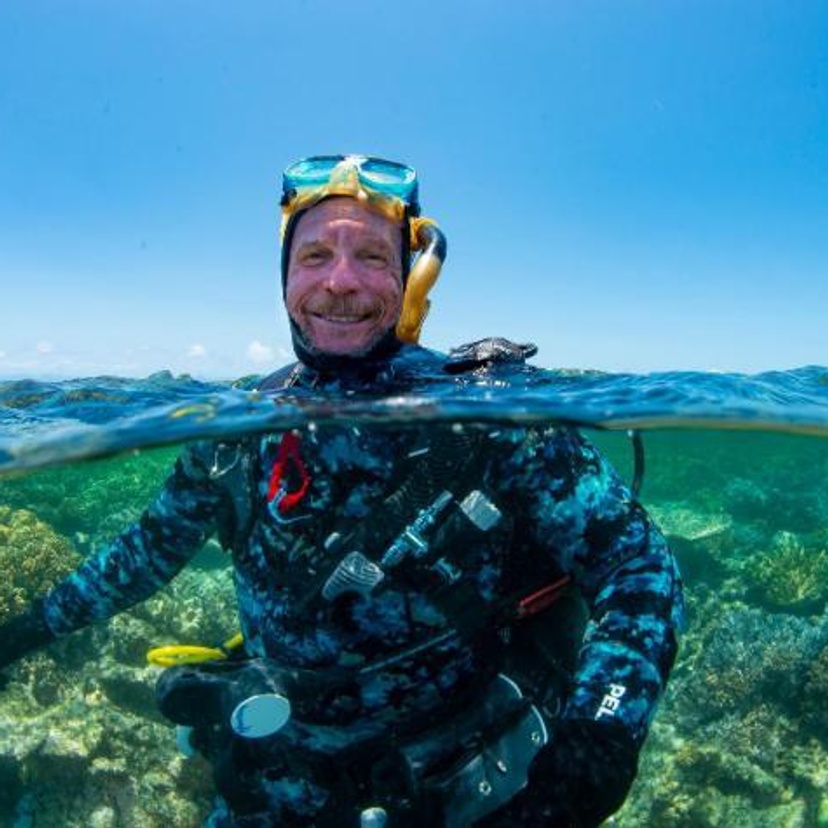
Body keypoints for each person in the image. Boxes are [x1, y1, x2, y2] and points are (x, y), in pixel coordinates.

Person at [0, 155, 684, 827]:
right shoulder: (232, 436)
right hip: (272, 780)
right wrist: (21, 633)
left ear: (412, 278)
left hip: (461, 783)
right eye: (315, 255)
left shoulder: (493, 421)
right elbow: (140, 558)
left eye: (374, 258)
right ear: (284, 274)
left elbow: (638, 568)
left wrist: (599, 738)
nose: (342, 282)